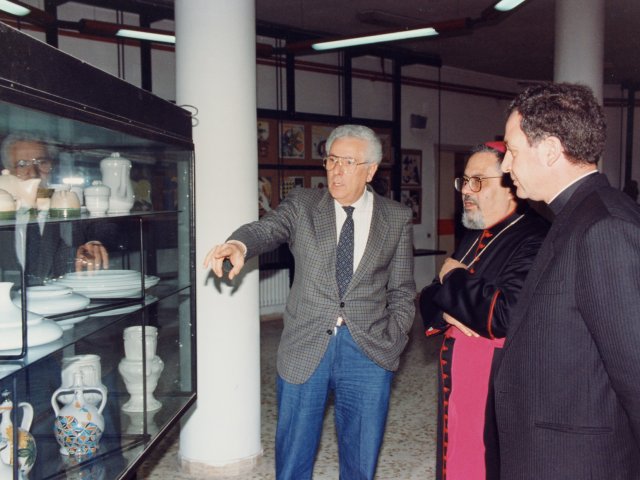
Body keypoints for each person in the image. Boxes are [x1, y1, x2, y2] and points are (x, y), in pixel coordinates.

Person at [204, 124, 416, 480]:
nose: (336, 170)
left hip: (368, 348)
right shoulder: (303, 205)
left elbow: (403, 290)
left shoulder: (395, 217)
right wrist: (238, 245)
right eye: (332, 160)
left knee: (361, 458)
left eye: (348, 162)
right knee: (293, 457)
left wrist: (394, 339)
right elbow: (265, 229)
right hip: (306, 345)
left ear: (371, 170)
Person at [495, 82, 640, 479]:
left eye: (512, 150)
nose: (506, 166)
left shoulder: (604, 227)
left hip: (577, 462)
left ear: (551, 151)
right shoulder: (576, 215)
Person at [419, 141, 548, 480]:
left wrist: (456, 278)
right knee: (455, 455)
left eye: (478, 181)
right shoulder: (475, 233)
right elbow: (430, 295)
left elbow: (503, 314)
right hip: (458, 375)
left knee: (486, 461)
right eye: (464, 181)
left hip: (495, 382)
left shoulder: (534, 237)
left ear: (510, 185)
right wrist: (453, 307)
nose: (466, 191)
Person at [0, 134, 109, 283]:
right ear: (8, 171)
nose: (33, 173)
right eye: (22, 164)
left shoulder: (68, 202)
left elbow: (102, 226)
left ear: (51, 166)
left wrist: (94, 242)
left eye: (41, 162)